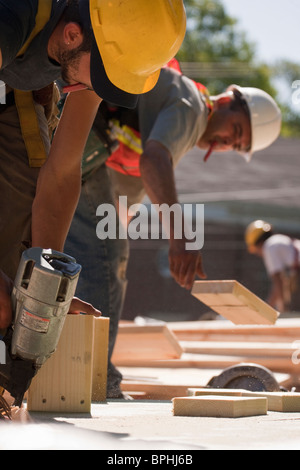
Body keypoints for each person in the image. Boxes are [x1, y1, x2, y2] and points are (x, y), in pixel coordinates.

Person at [64, 60, 282, 397]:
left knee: (105, 251)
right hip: (73, 133)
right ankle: (92, 378)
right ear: (226, 101)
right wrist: (180, 237)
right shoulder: (191, 106)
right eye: (236, 131)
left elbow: (135, 179)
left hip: (74, 145)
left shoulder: (179, 123)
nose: (227, 142)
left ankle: (69, 369)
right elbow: (154, 160)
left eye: (237, 146)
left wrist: (119, 227)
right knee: (106, 256)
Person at [0, 0, 186, 332]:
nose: (101, 87)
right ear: (72, 35)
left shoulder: (91, 37)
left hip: (11, 89)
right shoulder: (15, 13)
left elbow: (63, 171)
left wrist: (46, 286)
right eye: (102, 75)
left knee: (17, 256)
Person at [245, 220, 300, 312]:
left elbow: (278, 281)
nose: (258, 254)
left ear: (258, 243)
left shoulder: (269, 247)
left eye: (255, 250)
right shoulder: (278, 240)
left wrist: (269, 310)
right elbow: (281, 282)